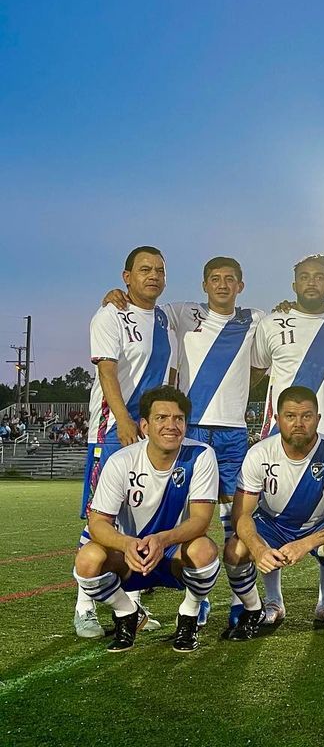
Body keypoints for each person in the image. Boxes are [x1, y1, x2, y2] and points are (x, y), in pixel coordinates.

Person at [101, 256, 266, 628]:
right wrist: (117, 295)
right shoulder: (180, 313)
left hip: (232, 432)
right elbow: (143, 309)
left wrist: (234, 392)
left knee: (234, 519)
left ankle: (244, 602)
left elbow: (260, 367)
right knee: (189, 516)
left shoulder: (257, 320)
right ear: (204, 285)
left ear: (241, 285)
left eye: (230, 279)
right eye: (214, 279)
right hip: (188, 430)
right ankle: (199, 597)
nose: (222, 285)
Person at [251, 254, 324, 626]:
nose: (312, 282)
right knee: (269, 518)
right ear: (293, 283)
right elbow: (253, 370)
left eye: (320, 277)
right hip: (280, 438)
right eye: (304, 276)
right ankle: (273, 601)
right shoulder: (271, 322)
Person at [76, 246, 178, 638]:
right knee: (98, 519)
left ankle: (129, 606)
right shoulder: (109, 314)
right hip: (114, 431)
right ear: (126, 276)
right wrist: (122, 421)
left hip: (148, 433)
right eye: (144, 269)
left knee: (138, 515)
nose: (153, 276)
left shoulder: (169, 318)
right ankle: (84, 606)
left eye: (159, 270)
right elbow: (107, 371)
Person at [72, 386, 219, 653]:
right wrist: (126, 544)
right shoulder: (121, 461)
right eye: (161, 418)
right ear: (145, 426)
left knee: (204, 550)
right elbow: (98, 523)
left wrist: (163, 539)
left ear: (186, 425)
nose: (171, 426)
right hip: (131, 555)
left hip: (172, 552)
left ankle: (189, 614)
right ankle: (127, 612)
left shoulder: (201, 455)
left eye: (178, 419)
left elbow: (201, 520)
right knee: (87, 559)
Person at [223, 385, 324, 643]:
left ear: (318, 419)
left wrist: (305, 544)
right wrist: (258, 549)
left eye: (306, 416)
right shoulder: (260, 453)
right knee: (235, 550)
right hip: (272, 525)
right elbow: (241, 515)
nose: (298, 423)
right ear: (277, 419)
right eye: (290, 416)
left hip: (318, 525)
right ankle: (254, 610)